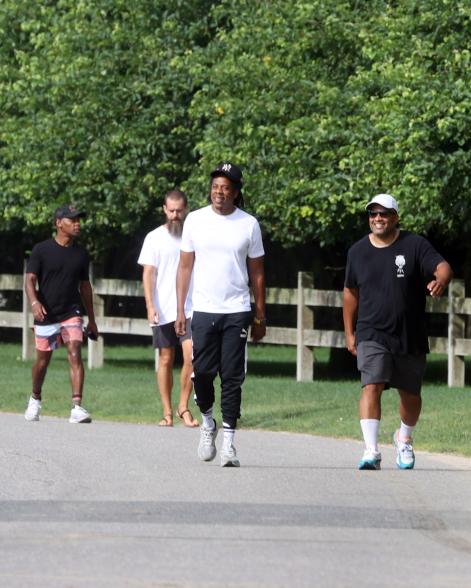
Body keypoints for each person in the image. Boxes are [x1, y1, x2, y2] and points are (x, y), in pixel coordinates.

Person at [343, 193, 453, 470]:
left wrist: (441, 279)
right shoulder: (357, 251)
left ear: (395, 217)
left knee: (410, 394)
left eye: (384, 213)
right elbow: (350, 293)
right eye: (373, 214)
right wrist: (349, 333)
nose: (378, 218)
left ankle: (404, 438)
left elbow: (443, 267)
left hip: (409, 333)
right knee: (371, 385)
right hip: (371, 331)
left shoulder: (414, 245)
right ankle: (371, 450)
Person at [175, 162, 266, 467]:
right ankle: (207, 422)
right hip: (203, 309)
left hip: (237, 310)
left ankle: (229, 442)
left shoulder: (248, 224)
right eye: (215, 187)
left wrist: (260, 314)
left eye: (226, 188)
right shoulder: (195, 221)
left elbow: (257, 273)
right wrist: (180, 310)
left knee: (232, 378)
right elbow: (185, 266)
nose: (219, 193)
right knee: (201, 374)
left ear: (236, 192)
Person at [24, 204, 98, 423]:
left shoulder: (81, 254)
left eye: (78, 220)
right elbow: (29, 280)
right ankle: (35, 398)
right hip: (46, 313)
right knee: (42, 362)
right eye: (72, 220)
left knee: (75, 349)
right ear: (58, 223)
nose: (77, 224)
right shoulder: (41, 250)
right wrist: (34, 302)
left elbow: (85, 286)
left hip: (71, 311)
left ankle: (76, 406)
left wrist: (92, 320)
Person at [137, 188, 197, 428]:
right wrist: (150, 305)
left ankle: (183, 406)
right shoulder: (154, 238)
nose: (174, 215)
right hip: (163, 308)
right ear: (164, 210)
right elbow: (148, 273)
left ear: (186, 209)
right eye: (170, 210)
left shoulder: (194, 236)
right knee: (165, 358)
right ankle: (167, 411)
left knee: (192, 357)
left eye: (179, 210)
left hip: (192, 307)